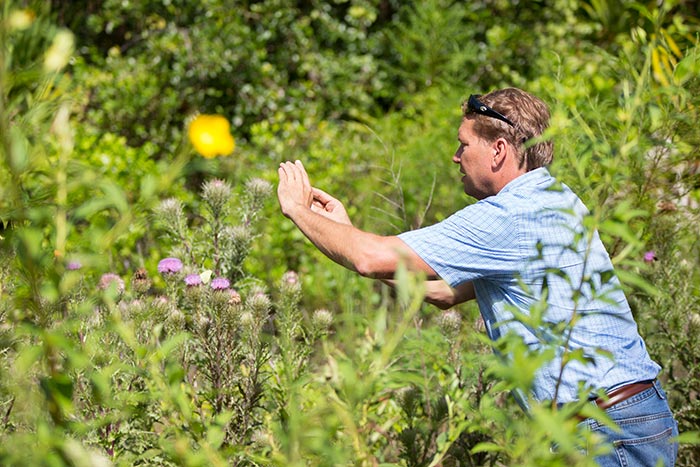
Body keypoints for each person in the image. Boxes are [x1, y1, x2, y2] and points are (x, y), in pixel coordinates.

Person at [277, 87, 678, 466]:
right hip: (625, 420)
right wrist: (346, 228)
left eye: (464, 144)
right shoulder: (555, 198)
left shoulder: (510, 216)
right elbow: (441, 293)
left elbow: (369, 257)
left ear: (499, 150)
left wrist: (299, 210)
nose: (455, 157)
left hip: (605, 432)